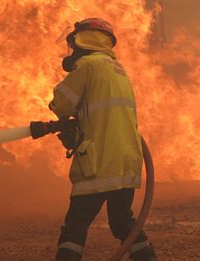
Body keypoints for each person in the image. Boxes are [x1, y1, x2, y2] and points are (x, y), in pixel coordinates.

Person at [48, 18, 157, 261]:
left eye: (73, 43)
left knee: (76, 223)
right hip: (126, 160)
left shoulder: (88, 65)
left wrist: (61, 113)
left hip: (98, 163)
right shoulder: (118, 70)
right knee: (122, 222)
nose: (72, 50)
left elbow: (61, 104)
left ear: (82, 39)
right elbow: (105, 115)